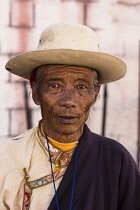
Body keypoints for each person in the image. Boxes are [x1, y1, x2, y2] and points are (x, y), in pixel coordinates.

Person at [0, 23, 140, 210]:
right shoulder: (7, 159)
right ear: (35, 92)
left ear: (95, 94)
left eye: (81, 87)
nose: (69, 101)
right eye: (55, 86)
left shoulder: (115, 160)